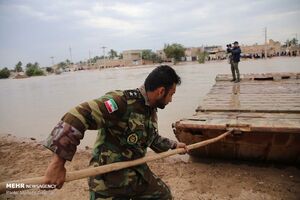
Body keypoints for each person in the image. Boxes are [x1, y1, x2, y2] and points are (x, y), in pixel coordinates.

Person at [43, 65, 188, 199]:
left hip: (136, 173)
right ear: (161, 91)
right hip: (107, 181)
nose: (171, 100)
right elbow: (77, 116)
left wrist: (174, 146)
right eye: (171, 94)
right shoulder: (121, 102)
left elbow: (152, 138)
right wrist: (58, 164)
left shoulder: (149, 108)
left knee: (163, 196)